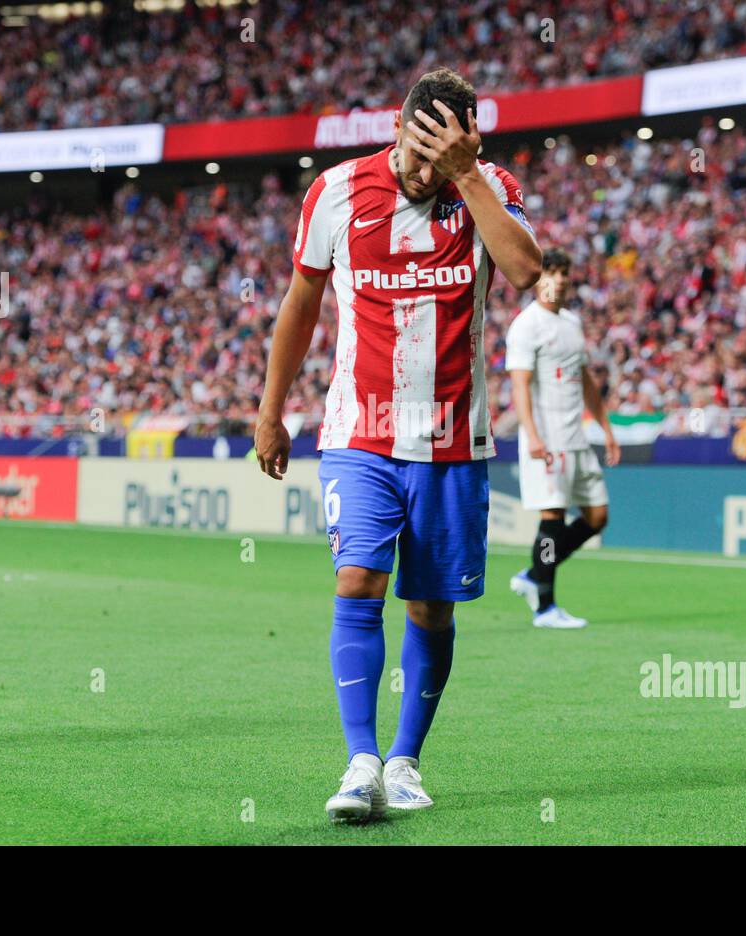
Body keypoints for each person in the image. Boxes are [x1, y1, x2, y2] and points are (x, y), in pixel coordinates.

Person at [255, 67, 541, 822]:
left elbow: (525, 270)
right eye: (417, 152)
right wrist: (270, 408)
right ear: (397, 129)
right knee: (356, 582)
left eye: (440, 156)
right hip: (359, 433)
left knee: (431, 609)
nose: (423, 172)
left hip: (453, 443)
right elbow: (301, 301)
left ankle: (407, 761)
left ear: (469, 142)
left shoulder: (489, 189)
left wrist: (466, 175)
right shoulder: (337, 192)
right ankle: (359, 761)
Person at [506, 248, 620, 628]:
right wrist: (533, 435)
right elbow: (520, 386)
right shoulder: (526, 326)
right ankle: (545, 606)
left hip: (577, 436)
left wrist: (604, 426)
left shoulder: (571, 322)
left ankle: (535, 573)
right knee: (552, 517)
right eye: (549, 273)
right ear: (537, 279)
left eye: (562, 273)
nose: (557, 280)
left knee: (597, 516)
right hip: (547, 438)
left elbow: (584, 378)